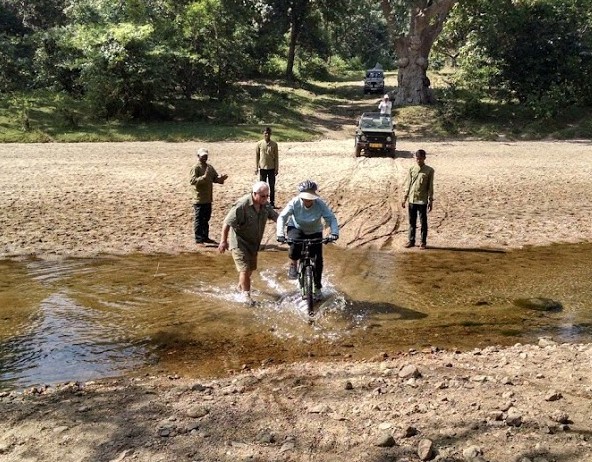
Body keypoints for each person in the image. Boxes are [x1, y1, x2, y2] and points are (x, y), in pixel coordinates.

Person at [276, 180, 339, 301]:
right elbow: (282, 217)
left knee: (318, 260)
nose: (308, 200)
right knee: (294, 247)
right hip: (296, 228)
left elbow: (331, 218)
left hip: (315, 230)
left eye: (310, 198)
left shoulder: (320, 204)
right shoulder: (294, 203)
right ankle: (293, 264)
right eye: (306, 198)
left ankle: (317, 287)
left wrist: (334, 233)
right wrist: (280, 234)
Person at [218, 181, 278, 304]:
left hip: (254, 244)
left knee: (250, 270)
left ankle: (240, 288)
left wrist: (289, 225)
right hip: (240, 243)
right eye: (263, 196)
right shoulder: (242, 205)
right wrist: (223, 241)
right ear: (254, 194)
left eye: (267, 196)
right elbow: (227, 223)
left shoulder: (265, 205)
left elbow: (276, 217)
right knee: (244, 270)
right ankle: (246, 297)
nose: (265, 199)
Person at [190, 148, 228, 245]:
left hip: (208, 198)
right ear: (198, 156)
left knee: (206, 219)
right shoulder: (196, 168)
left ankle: (205, 237)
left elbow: (215, 178)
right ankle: (198, 239)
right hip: (199, 198)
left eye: (206, 156)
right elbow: (193, 181)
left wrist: (221, 179)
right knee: (199, 219)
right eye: (202, 156)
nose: (204, 158)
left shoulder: (210, 167)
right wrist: (204, 177)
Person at [401, 149, 434, 250]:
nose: (418, 160)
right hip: (412, 199)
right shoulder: (411, 169)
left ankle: (423, 242)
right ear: (415, 158)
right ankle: (411, 241)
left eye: (420, 158)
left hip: (422, 200)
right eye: (417, 158)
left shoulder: (429, 170)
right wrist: (404, 197)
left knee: (423, 222)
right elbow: (408, 184)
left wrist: (430, 200)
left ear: (424, 158)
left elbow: (430, 186)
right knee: (412, 221)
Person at [255, 127, 279, 208]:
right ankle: (262, 203)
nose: (267, 135)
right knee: (262, 187)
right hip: (262, 168)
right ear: (263, 134)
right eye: (265, 133)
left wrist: (276, 168)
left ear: (270, 134)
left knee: (272, 186)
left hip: (271, 168)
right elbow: (257, 156)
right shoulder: (259, 144)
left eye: (268, 133)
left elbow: (276, 157)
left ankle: (272, 203)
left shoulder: (274, 144)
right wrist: (256, 167)